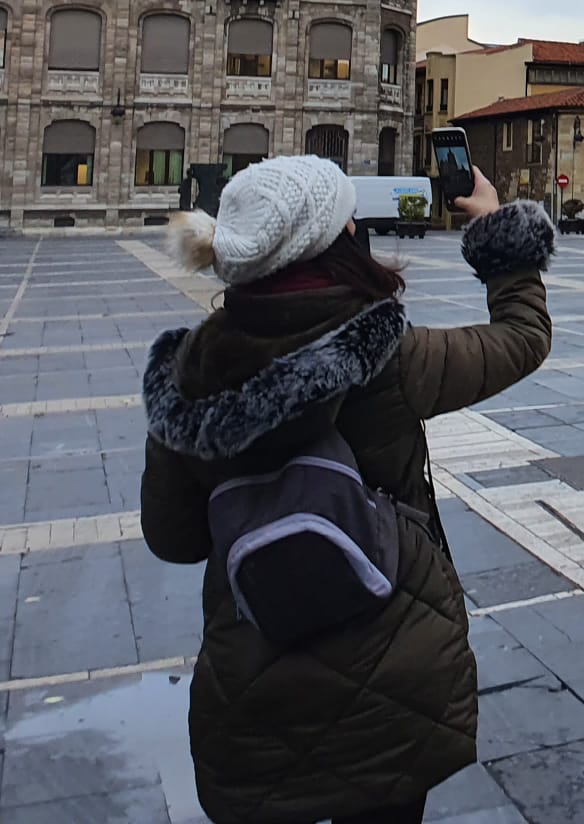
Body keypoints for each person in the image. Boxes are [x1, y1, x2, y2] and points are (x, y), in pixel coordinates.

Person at [140, 155, 556, 824]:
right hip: (393, 668)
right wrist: (498, 232)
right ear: (332, 241)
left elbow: (175, 538)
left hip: (254, 669)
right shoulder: (388, 355)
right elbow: (522, 337)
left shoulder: (189, 373)